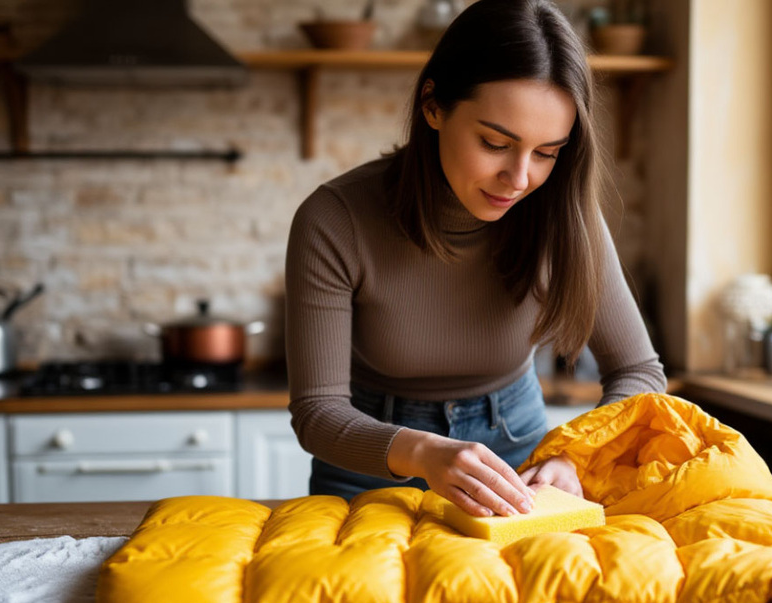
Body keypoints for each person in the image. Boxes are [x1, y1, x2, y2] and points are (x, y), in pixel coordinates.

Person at [285, 0, 666, 519]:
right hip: (368, 467)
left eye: (547, 152)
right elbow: (318, 414)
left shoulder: (563, 215)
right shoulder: (334, 220)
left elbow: (639, 371)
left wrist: (576, 455)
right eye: (494, 142)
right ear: (433, 106)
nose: (520, 177)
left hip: (517, 462)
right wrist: (422, 451)